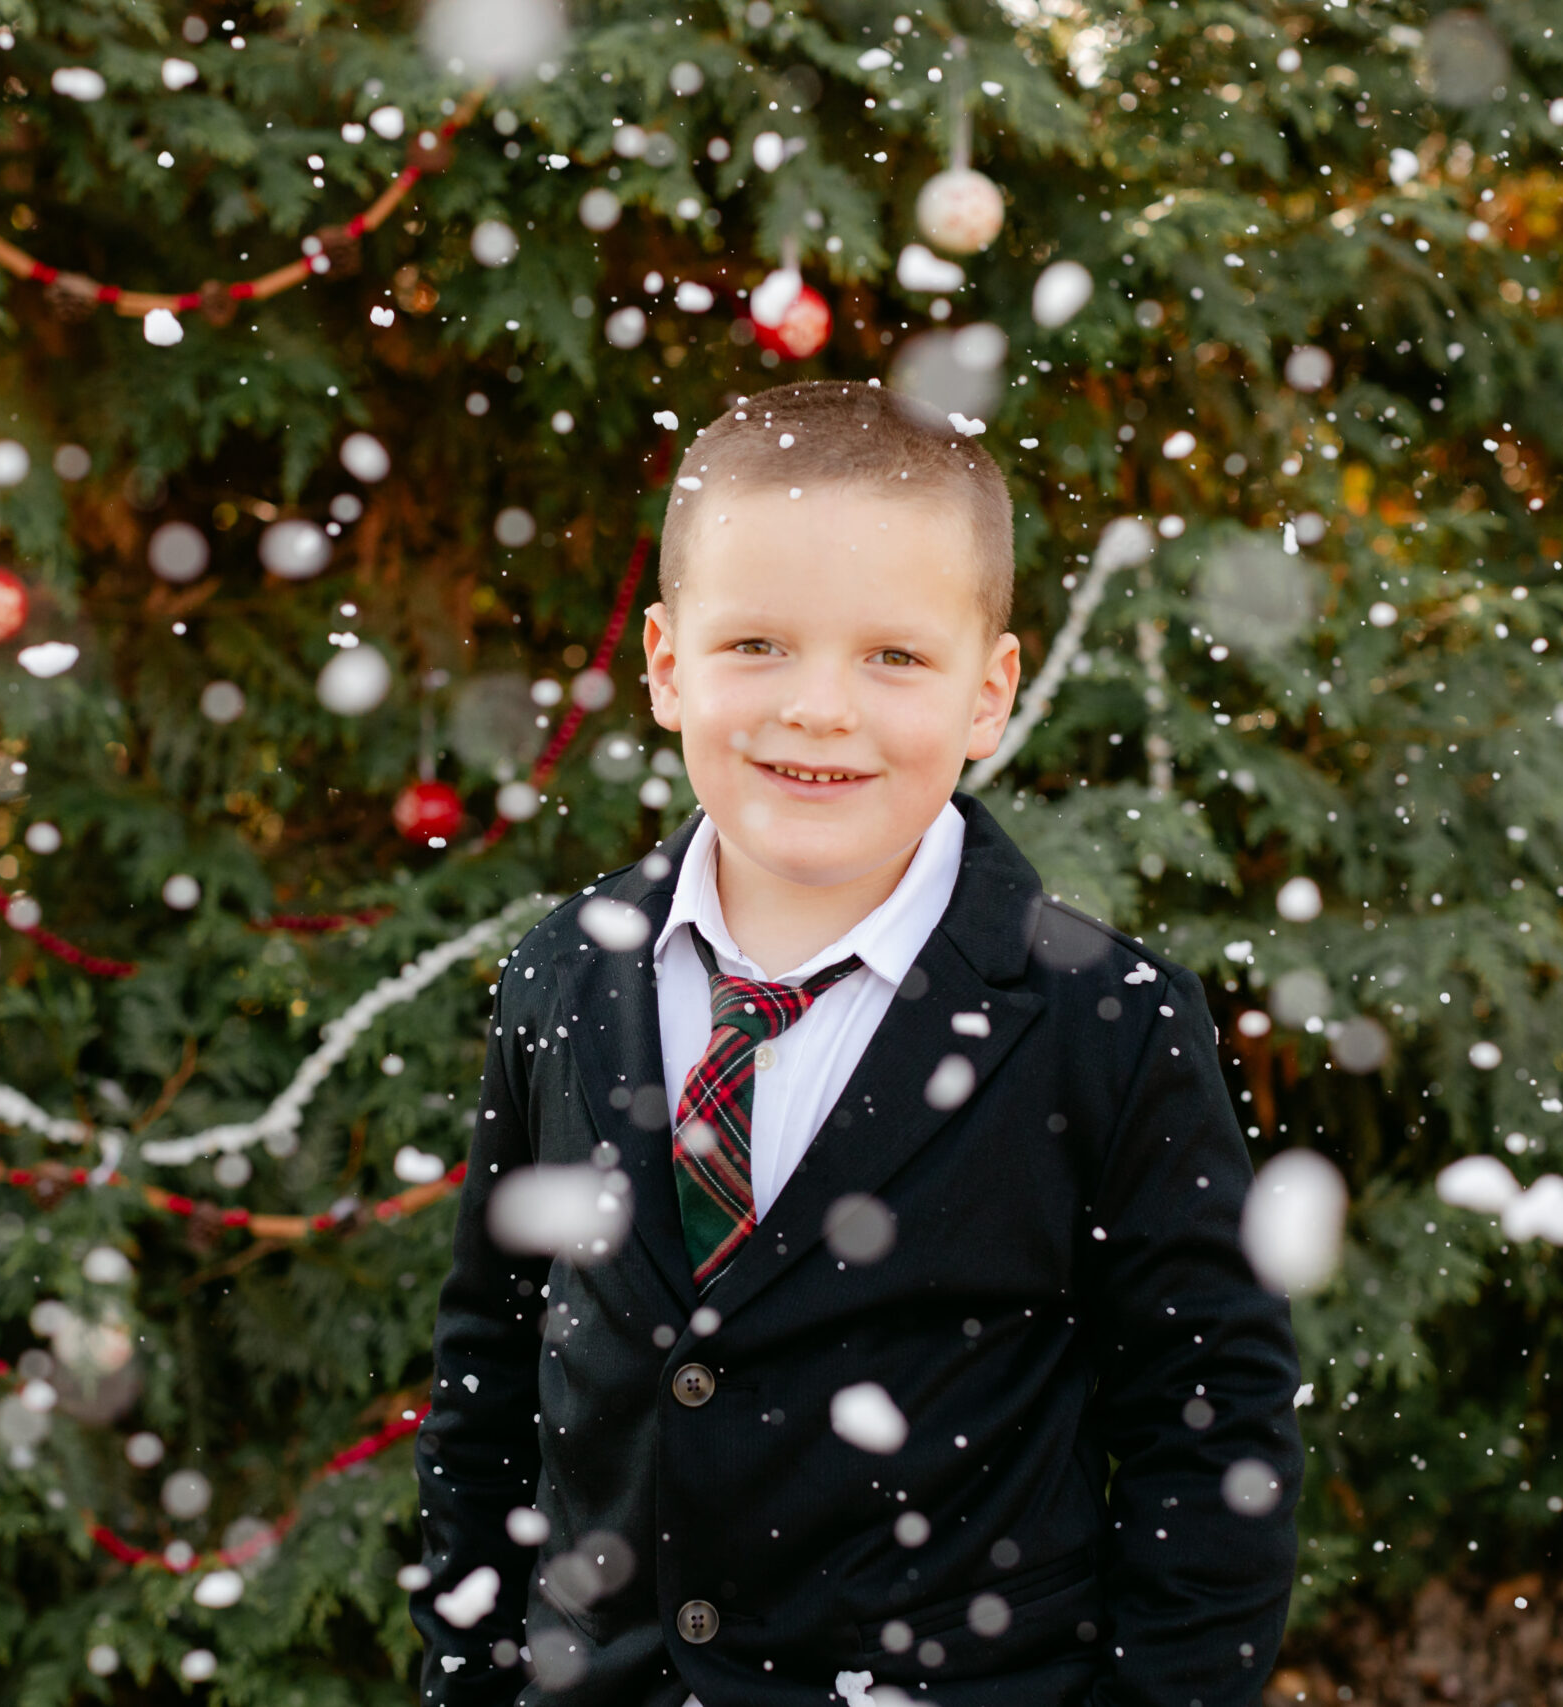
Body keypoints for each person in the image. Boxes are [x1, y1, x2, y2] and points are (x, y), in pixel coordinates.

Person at [411, 380, 1302, 1707]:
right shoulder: (564, 977)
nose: (819, 708)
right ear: (665, 666)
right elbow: (494, 1364)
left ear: (989, 694)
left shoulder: (1104, 1026)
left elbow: (1208, 1434)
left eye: (893, 657)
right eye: (757, 644)